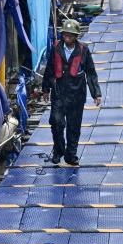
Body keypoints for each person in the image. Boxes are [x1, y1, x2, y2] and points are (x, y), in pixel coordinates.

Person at [42, 19, 102, 166]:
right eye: (65, 35)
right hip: (59, 92)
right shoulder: (56, 48)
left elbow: (91, 72)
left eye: (70, 35)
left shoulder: (83, 50)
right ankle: (58, 150)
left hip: (77, 94)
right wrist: (45, 89)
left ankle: (71, 155)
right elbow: (49, 69)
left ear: (76, 36)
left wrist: (96, 93)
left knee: (74, 126)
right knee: (56, 122)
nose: (67, 38)